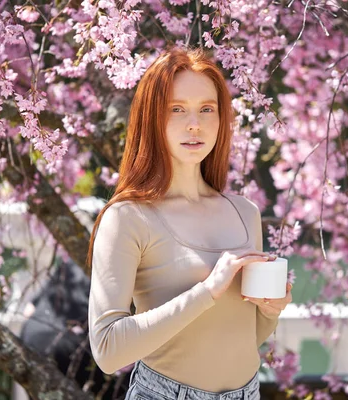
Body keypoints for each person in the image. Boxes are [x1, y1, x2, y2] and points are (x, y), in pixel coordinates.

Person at [87, 47, 293, 400]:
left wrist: (271, 310)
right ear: (152, 118)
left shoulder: (245, 213)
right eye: (176, 109)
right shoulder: (127, 217)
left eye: (206, 109)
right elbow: (107, 350)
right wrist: (207, 292)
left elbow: (245, 336)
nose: (194, 124)